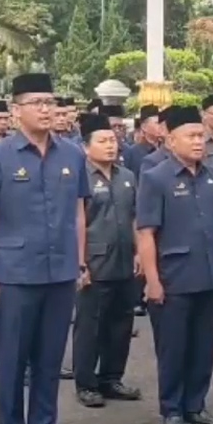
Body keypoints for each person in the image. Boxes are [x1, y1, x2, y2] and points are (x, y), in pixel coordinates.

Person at [0, 73, 89, 424]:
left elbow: (78, 213)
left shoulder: (72, 154)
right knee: (12, 360)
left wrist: (81, 262)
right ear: (16, 109)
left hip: (59, 273)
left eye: (50, 101)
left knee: (50, 359)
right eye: (36, 102)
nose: (45, 108)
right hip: (14, 273)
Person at [136, 105, 213, 424]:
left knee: (203, 345)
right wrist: (152, 281)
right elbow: (146, 232)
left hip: (207, 272)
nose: (198, 142)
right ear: (171, 140)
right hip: (173, 276)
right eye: (190, 136)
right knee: (173, 347)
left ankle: (196, 405)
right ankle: (172, 409)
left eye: (201, 136)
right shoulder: (155, 177)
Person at [72, 113, 142, 407]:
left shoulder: (127, 176)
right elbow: (75, 222)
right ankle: (86, 383)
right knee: (90, 325)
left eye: (113, 140)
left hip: (126, 260)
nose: (110, 146)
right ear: (86, 147)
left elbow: (136, 217)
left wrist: (140, 252)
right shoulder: (80, 177)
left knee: (121, 323)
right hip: (95, 262)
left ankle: (112, 377)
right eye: (103, 141)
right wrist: (80, 264)